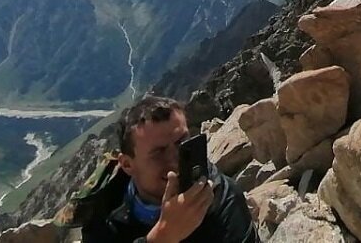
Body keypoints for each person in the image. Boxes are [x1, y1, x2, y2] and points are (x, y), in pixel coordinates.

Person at [80, 95, 260, 243]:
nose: (175, 161)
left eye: (182, 143)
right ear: (127, 164)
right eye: (158, 152)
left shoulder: (221, 199)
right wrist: (163, 237)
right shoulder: (103, 211)